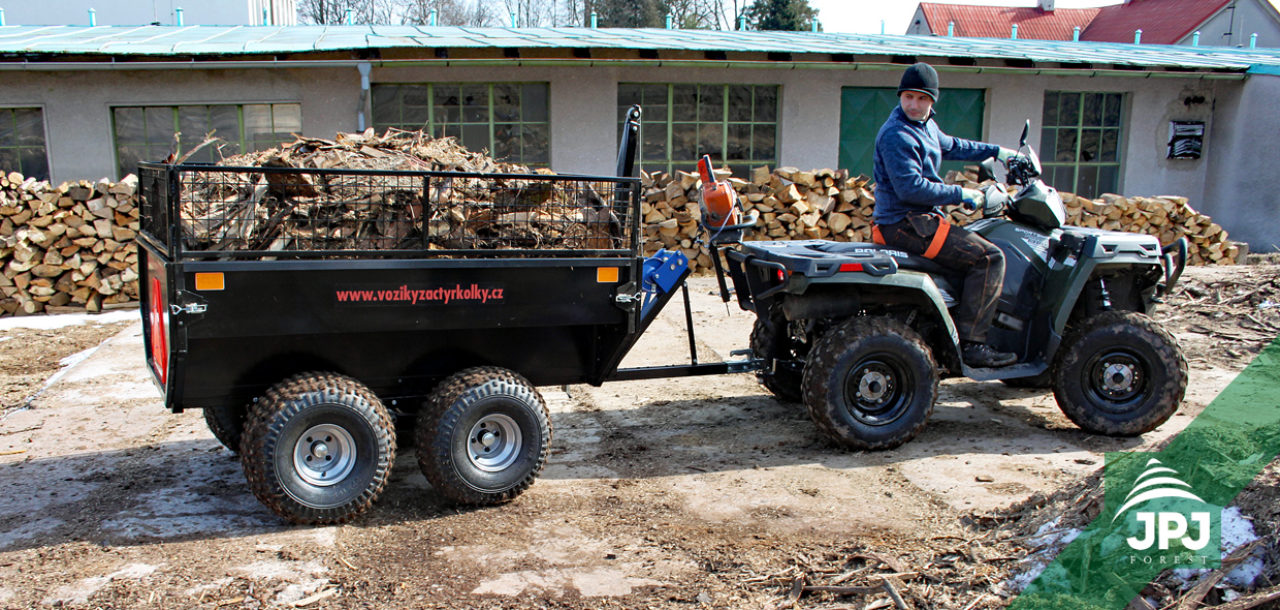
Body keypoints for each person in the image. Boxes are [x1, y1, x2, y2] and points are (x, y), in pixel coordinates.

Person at [871, 62, 1021, 369]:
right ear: (900, 96)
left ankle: (948, 327)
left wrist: (998, 152)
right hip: (905, 224)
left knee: (971, 253)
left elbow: (953, 145)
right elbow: (911, 189)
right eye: (908, 97)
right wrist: (962, 194)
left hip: (917, 221)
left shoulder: (925, 126)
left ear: (932, 101)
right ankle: (973, 345)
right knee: (989, 258)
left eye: (922, 98)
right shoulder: (897, 134)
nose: (914, 104)